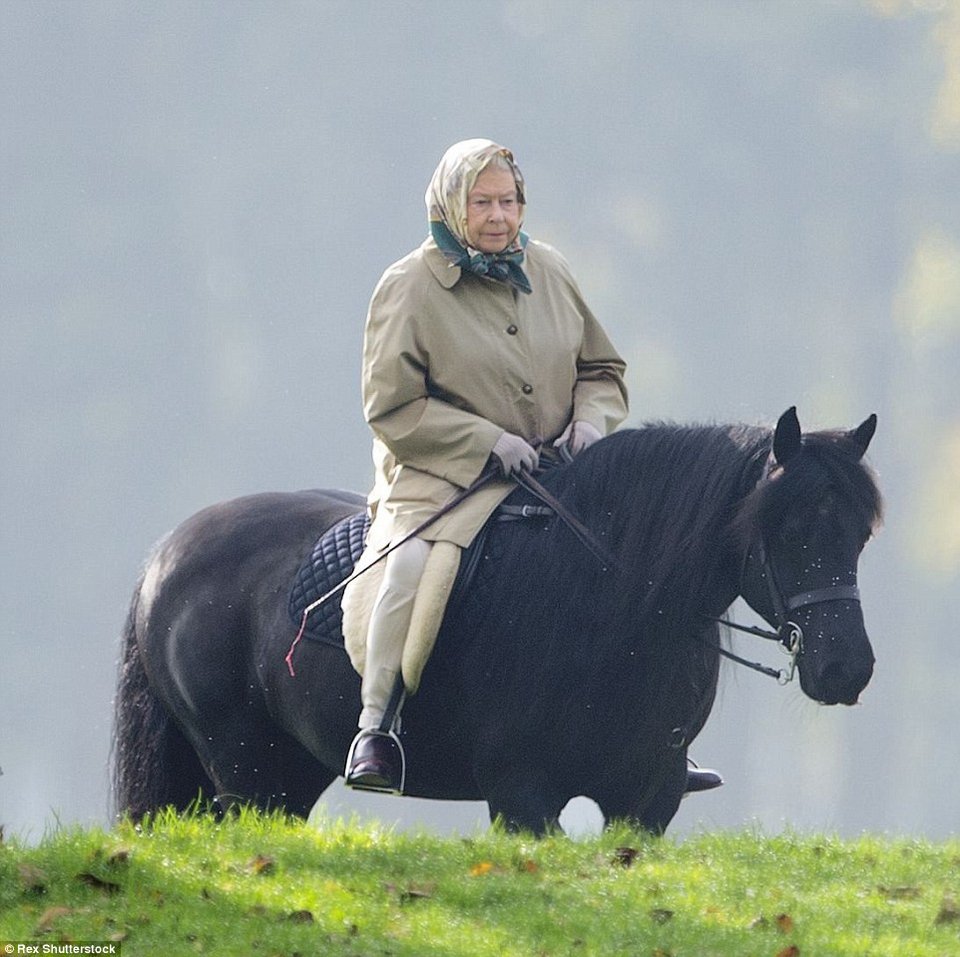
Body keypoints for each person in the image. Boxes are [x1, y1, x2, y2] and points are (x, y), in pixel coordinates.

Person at [343, 138, 718, 796]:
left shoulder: (549, 268)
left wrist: (588, 421)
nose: (498, 216)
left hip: (556, 469)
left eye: (508, 201)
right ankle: (378, 725)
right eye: (482, 202)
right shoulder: (407, 286)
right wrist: (484, 439)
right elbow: (390, 407)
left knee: (635, 562)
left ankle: (655, 737)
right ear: (451, 206)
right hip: (439, 476)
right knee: (409, 568)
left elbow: (601, 370)